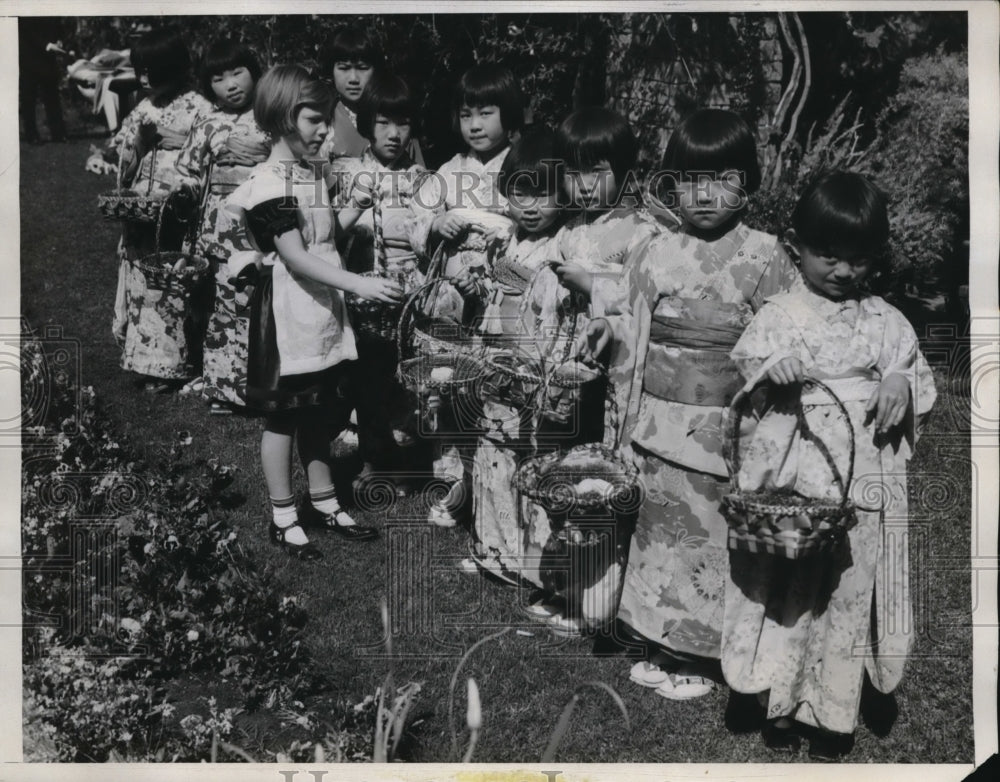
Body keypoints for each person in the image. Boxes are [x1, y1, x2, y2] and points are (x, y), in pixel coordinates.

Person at [721, 171, 936, 759]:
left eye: (857, 259)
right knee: (788, 582)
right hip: (797, 468)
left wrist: (898, 381)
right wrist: (772, 368)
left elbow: (912, 367)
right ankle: (775, 697)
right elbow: (745, 367)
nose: (842, 271)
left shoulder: (886, 319)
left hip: (859, 472)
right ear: (797, 247)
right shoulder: (780, 313)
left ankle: (832, 711)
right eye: (828, 256)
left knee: (845, 587)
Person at [584, 108, 798, 696]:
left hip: (727, 428)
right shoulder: (654, 253)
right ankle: (657, 638)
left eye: (723, 178)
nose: (704, 194)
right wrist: (619, 427)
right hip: (656, 419)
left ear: (748, 183)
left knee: (708, 536)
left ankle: (701, 653)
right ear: (670, 184)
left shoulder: (766, 254)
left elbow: (788, 336)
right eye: (690, 180)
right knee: (658, 534)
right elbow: (632, 338)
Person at [225, 65, 402, 560]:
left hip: (320, 309)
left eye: (325, 119)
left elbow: (322, 242)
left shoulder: (309, 173)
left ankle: (324, 501)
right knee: (283, 418)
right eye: (314, 120)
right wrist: (361, 283)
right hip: (288, 316)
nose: (325, 129)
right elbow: (295, 257)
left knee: (321, 410)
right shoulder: (267, 183)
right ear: (283, 117)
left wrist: (354, 209)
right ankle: (283, 515)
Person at [406, 64, 523, 529]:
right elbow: (417, 219)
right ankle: (454, 486)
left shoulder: (523, 164)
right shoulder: (448, 171)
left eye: (486, 113)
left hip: (500, 295)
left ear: (508, 115)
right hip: (453, 298)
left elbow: (534, 223)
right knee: (449, 389)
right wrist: (436, 225)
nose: (474, 125)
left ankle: (494, 495)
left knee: (492, 393)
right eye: (465, 114)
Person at [468, 126, 567, 587]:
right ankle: (492, 546)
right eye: (518, 193)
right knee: (491, 448)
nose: (529, 206)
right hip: (495, 355)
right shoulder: (507, 238)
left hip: (529, 361)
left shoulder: (561, 247)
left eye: (543, 194)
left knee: (526, 454)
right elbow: (494, 292)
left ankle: (527, 557)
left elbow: (554, 315)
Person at [328, 73, 428, 496]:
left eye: (403, 124)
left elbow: (430, 237)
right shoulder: (348, 173)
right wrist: (354, 208)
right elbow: (325, 235)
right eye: (384, 123)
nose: (393, 134)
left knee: (406, 381)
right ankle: (373, 457)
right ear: (368, 124)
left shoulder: (424, 177)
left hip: (407, 295)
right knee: (366, 380)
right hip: (362, 294)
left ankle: (406, 460)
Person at [105, 28, 214, 389]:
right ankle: (145, 359)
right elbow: (121, 154)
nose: (144, 79)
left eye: (153, 70)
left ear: (176, 67)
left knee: (173, 280)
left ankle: (177, 361)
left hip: (177, 207)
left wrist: (181, 146)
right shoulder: (143, 107)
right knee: (143, 279)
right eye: (141, 71)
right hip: (142, 209)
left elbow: (207, 156)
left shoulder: (199, 106)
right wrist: (139, 142)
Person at [174, 38, 268, 414]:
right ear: (206, 84)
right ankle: (225, 389)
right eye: (218, 77)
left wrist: (261, 160)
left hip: (259, 225)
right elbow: (189, 172)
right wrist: (185, 191)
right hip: (218, 227)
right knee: (223, 307)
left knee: (257, 303)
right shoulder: (207, 122)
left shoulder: (270, 116)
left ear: (254, 71)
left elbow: (293, 162)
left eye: (238, 72)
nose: (231, 83)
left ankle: (263, 387)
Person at [319, 24, 424, 165]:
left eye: (362, 68)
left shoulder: (398, 113)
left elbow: (420, 178)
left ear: (377, 70)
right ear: (331, 71)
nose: (353, 79)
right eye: (343, 68)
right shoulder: (322, 118)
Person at [19, 17, 68, 144]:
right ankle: (31, 135)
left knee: (52, 96)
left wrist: (59, 40)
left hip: (47, 58)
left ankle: (58, 134)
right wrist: (47, 44)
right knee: (29, 98)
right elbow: (26, 29)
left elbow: (57, 23)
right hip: (29, 56)